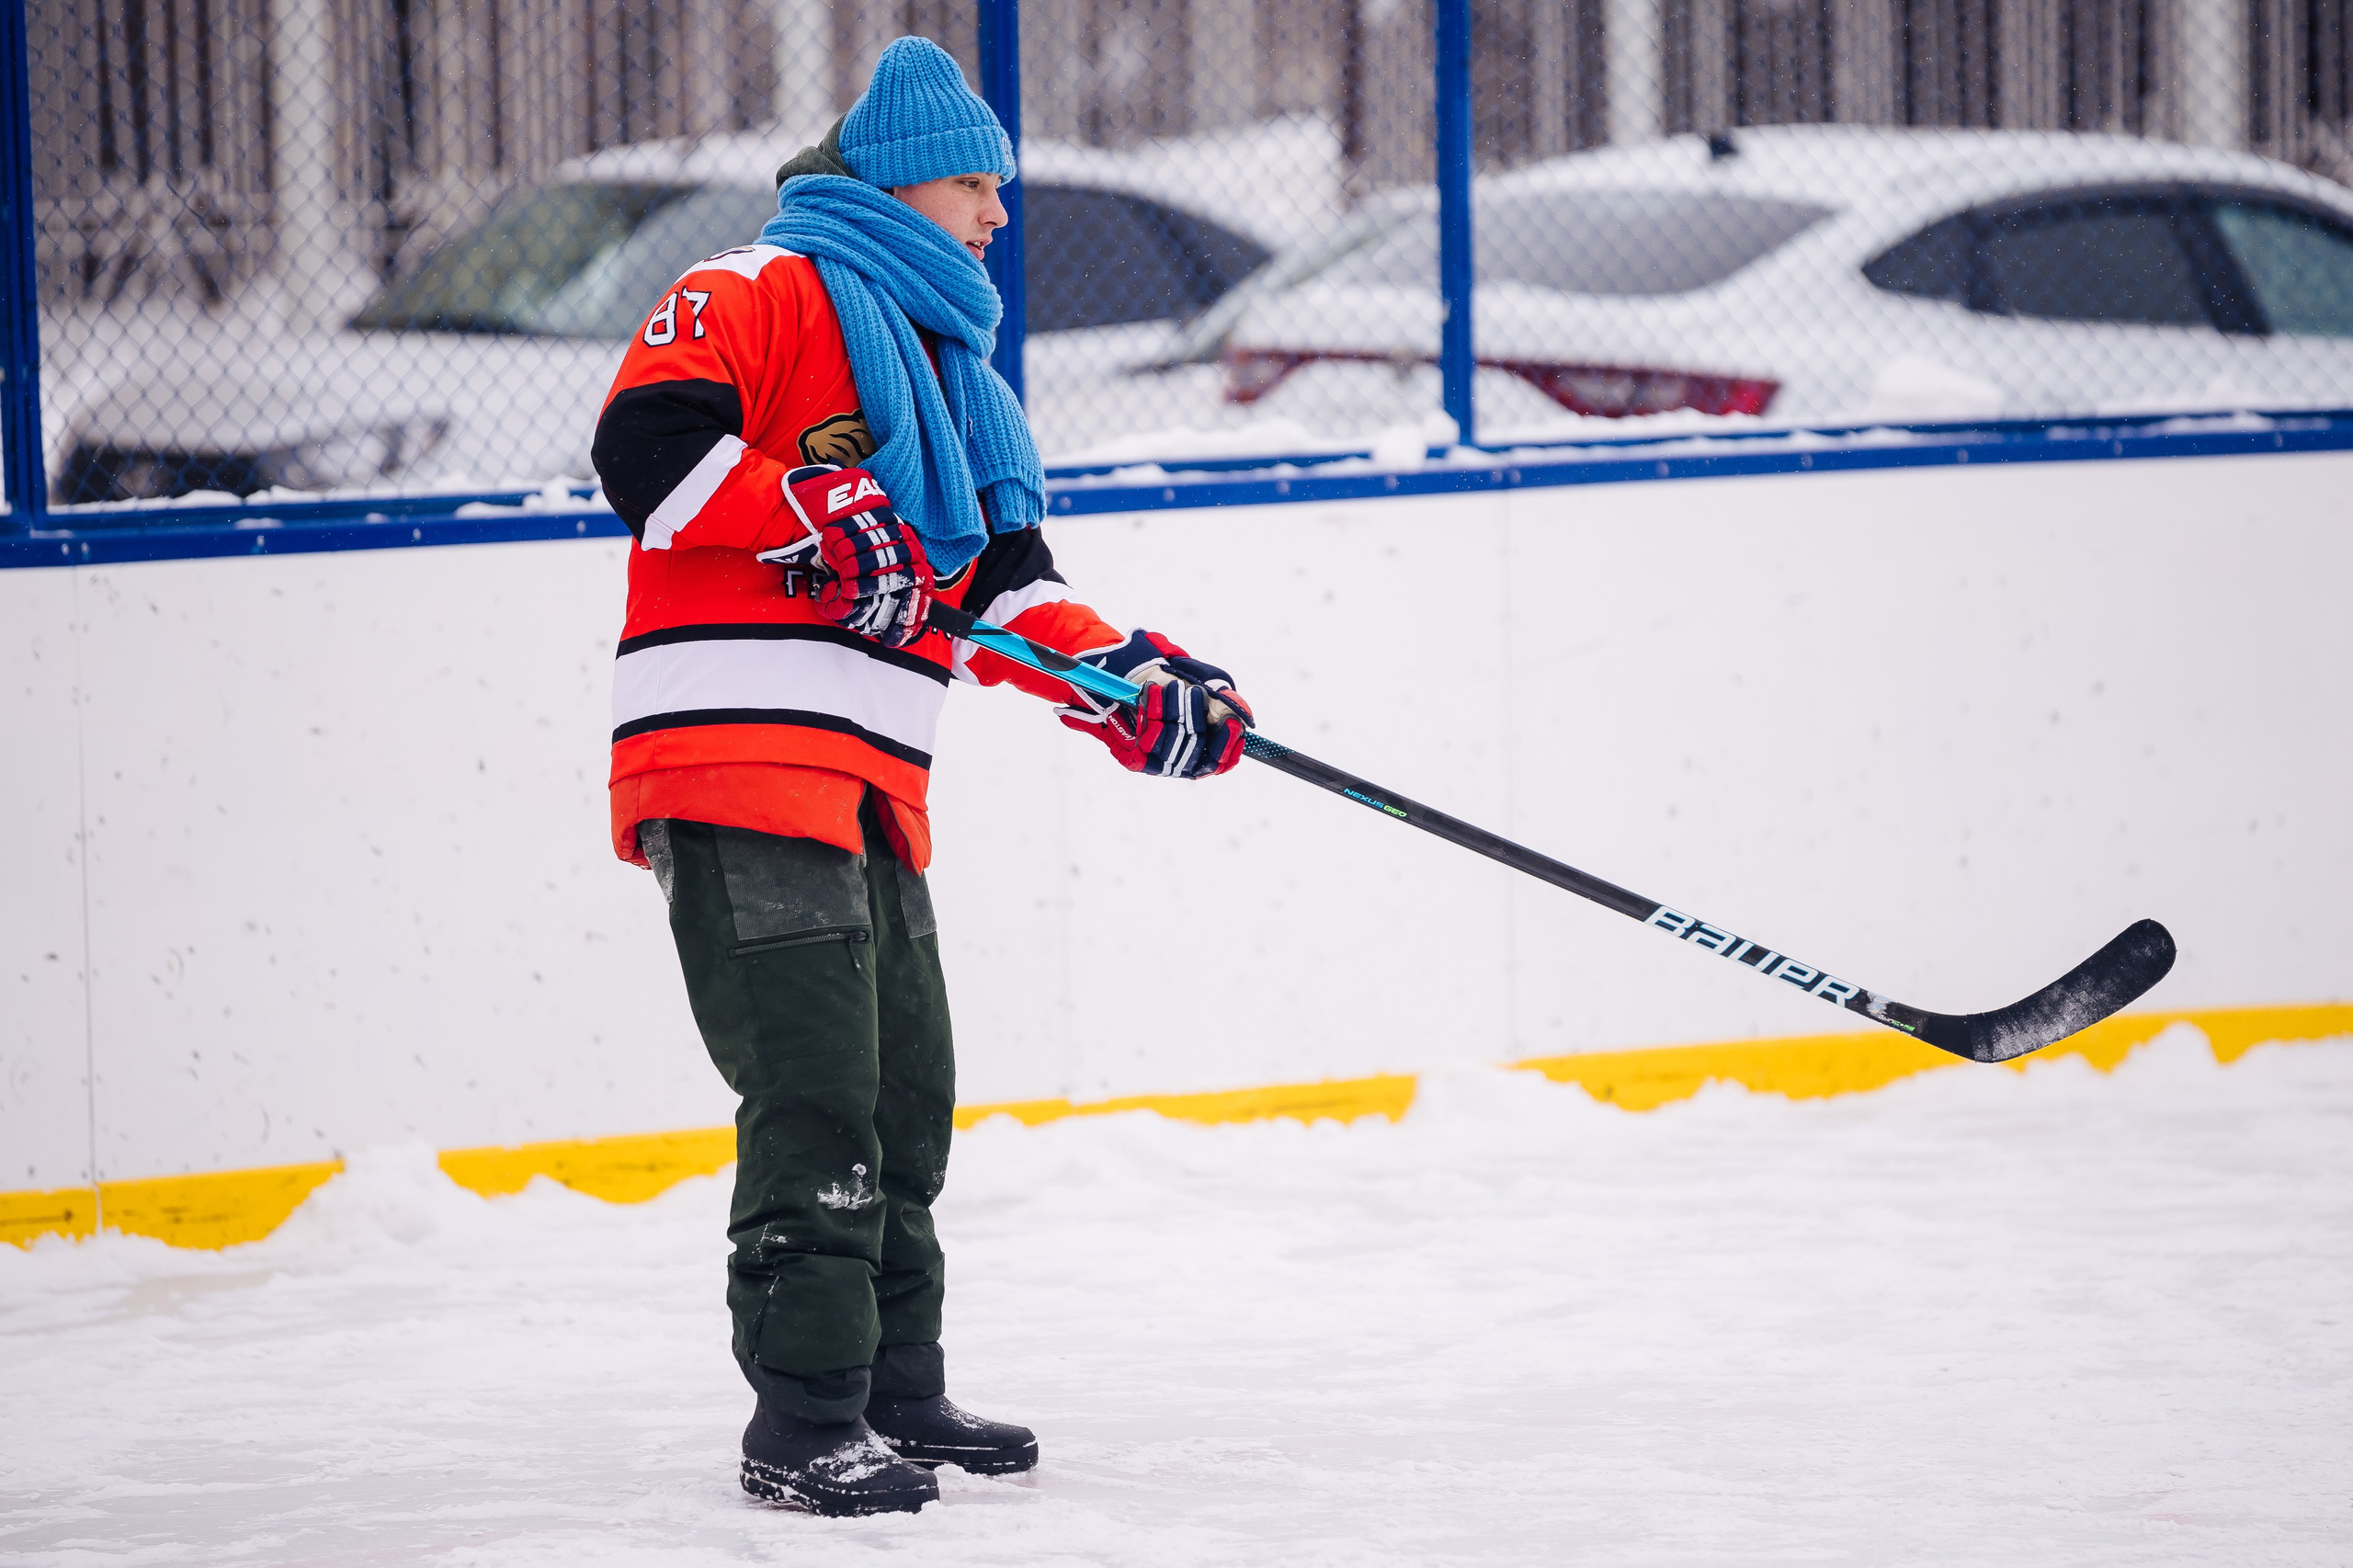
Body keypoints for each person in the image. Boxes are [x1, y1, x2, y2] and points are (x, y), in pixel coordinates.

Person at [588, 36, 1256, 1517]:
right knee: (818, 1084)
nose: (1000, 213)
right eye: (974, 184)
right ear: (898, 180)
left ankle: (896, 1384)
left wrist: (1137, 685)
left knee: (906, 1088)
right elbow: (643, 449)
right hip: (737, 754)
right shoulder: (754, 289)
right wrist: (810, 505)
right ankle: (802, 1416)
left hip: (870, 781)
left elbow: (1004, 590)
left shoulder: (955, 377)